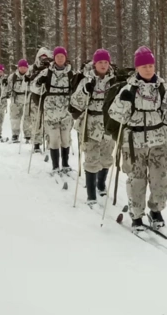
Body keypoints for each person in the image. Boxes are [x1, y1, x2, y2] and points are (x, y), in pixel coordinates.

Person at [108, 46, 167, 230]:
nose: (149, 69)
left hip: (159, 142)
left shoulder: (162, 89)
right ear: (137, 68)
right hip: (134, 143)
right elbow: (115, 114)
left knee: (161, 179)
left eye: (151, 65)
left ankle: (156, 210)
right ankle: (136, 215)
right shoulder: (129, 89)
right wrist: (122, 102)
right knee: (137, 180)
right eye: (144, 66)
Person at [70, 49, 116, 206]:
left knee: (106, 157)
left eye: (105, 62)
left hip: (108, 124)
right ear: (95, 64)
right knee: (91, 158)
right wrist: (84, 91)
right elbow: (75, 103)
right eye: (100, 62)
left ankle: (101, 183)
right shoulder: (86, 79)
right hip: (90, 124)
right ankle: (91, 194)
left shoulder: (114, 80)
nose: (103, 65)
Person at [31, 46, 75, 173]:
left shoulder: (71, 73)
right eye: (57, 56)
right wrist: (39, 83)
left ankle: (65, 164)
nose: (60, 59)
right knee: (54, 139)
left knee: (66, 139)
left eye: (62, 56)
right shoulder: (46, 72)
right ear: (54, 58)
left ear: (65, 58)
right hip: (51, 111)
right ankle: (55, 166)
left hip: (66, 111)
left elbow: (77, 91)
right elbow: (34, 88)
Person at [28, 47, 53, 153]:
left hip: (49, 98)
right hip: (36, 97)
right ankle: (36, 143)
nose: (43, 60)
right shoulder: (33, 68)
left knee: (49, 122)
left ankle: (51, 143)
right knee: (36, 121)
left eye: (45, 58)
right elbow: (29, 81)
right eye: (41, 57)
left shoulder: (51, 68)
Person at [8, 59, 31, 143]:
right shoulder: (13, 77)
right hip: (16, 100)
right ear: (18, 67)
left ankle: (28, 135)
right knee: (15, 118)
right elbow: (8, 88)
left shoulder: (31, 75)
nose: (23, 69)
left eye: (24, 67)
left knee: (28, 118)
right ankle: (15, 134)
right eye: (21, 67)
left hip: (27, 99)